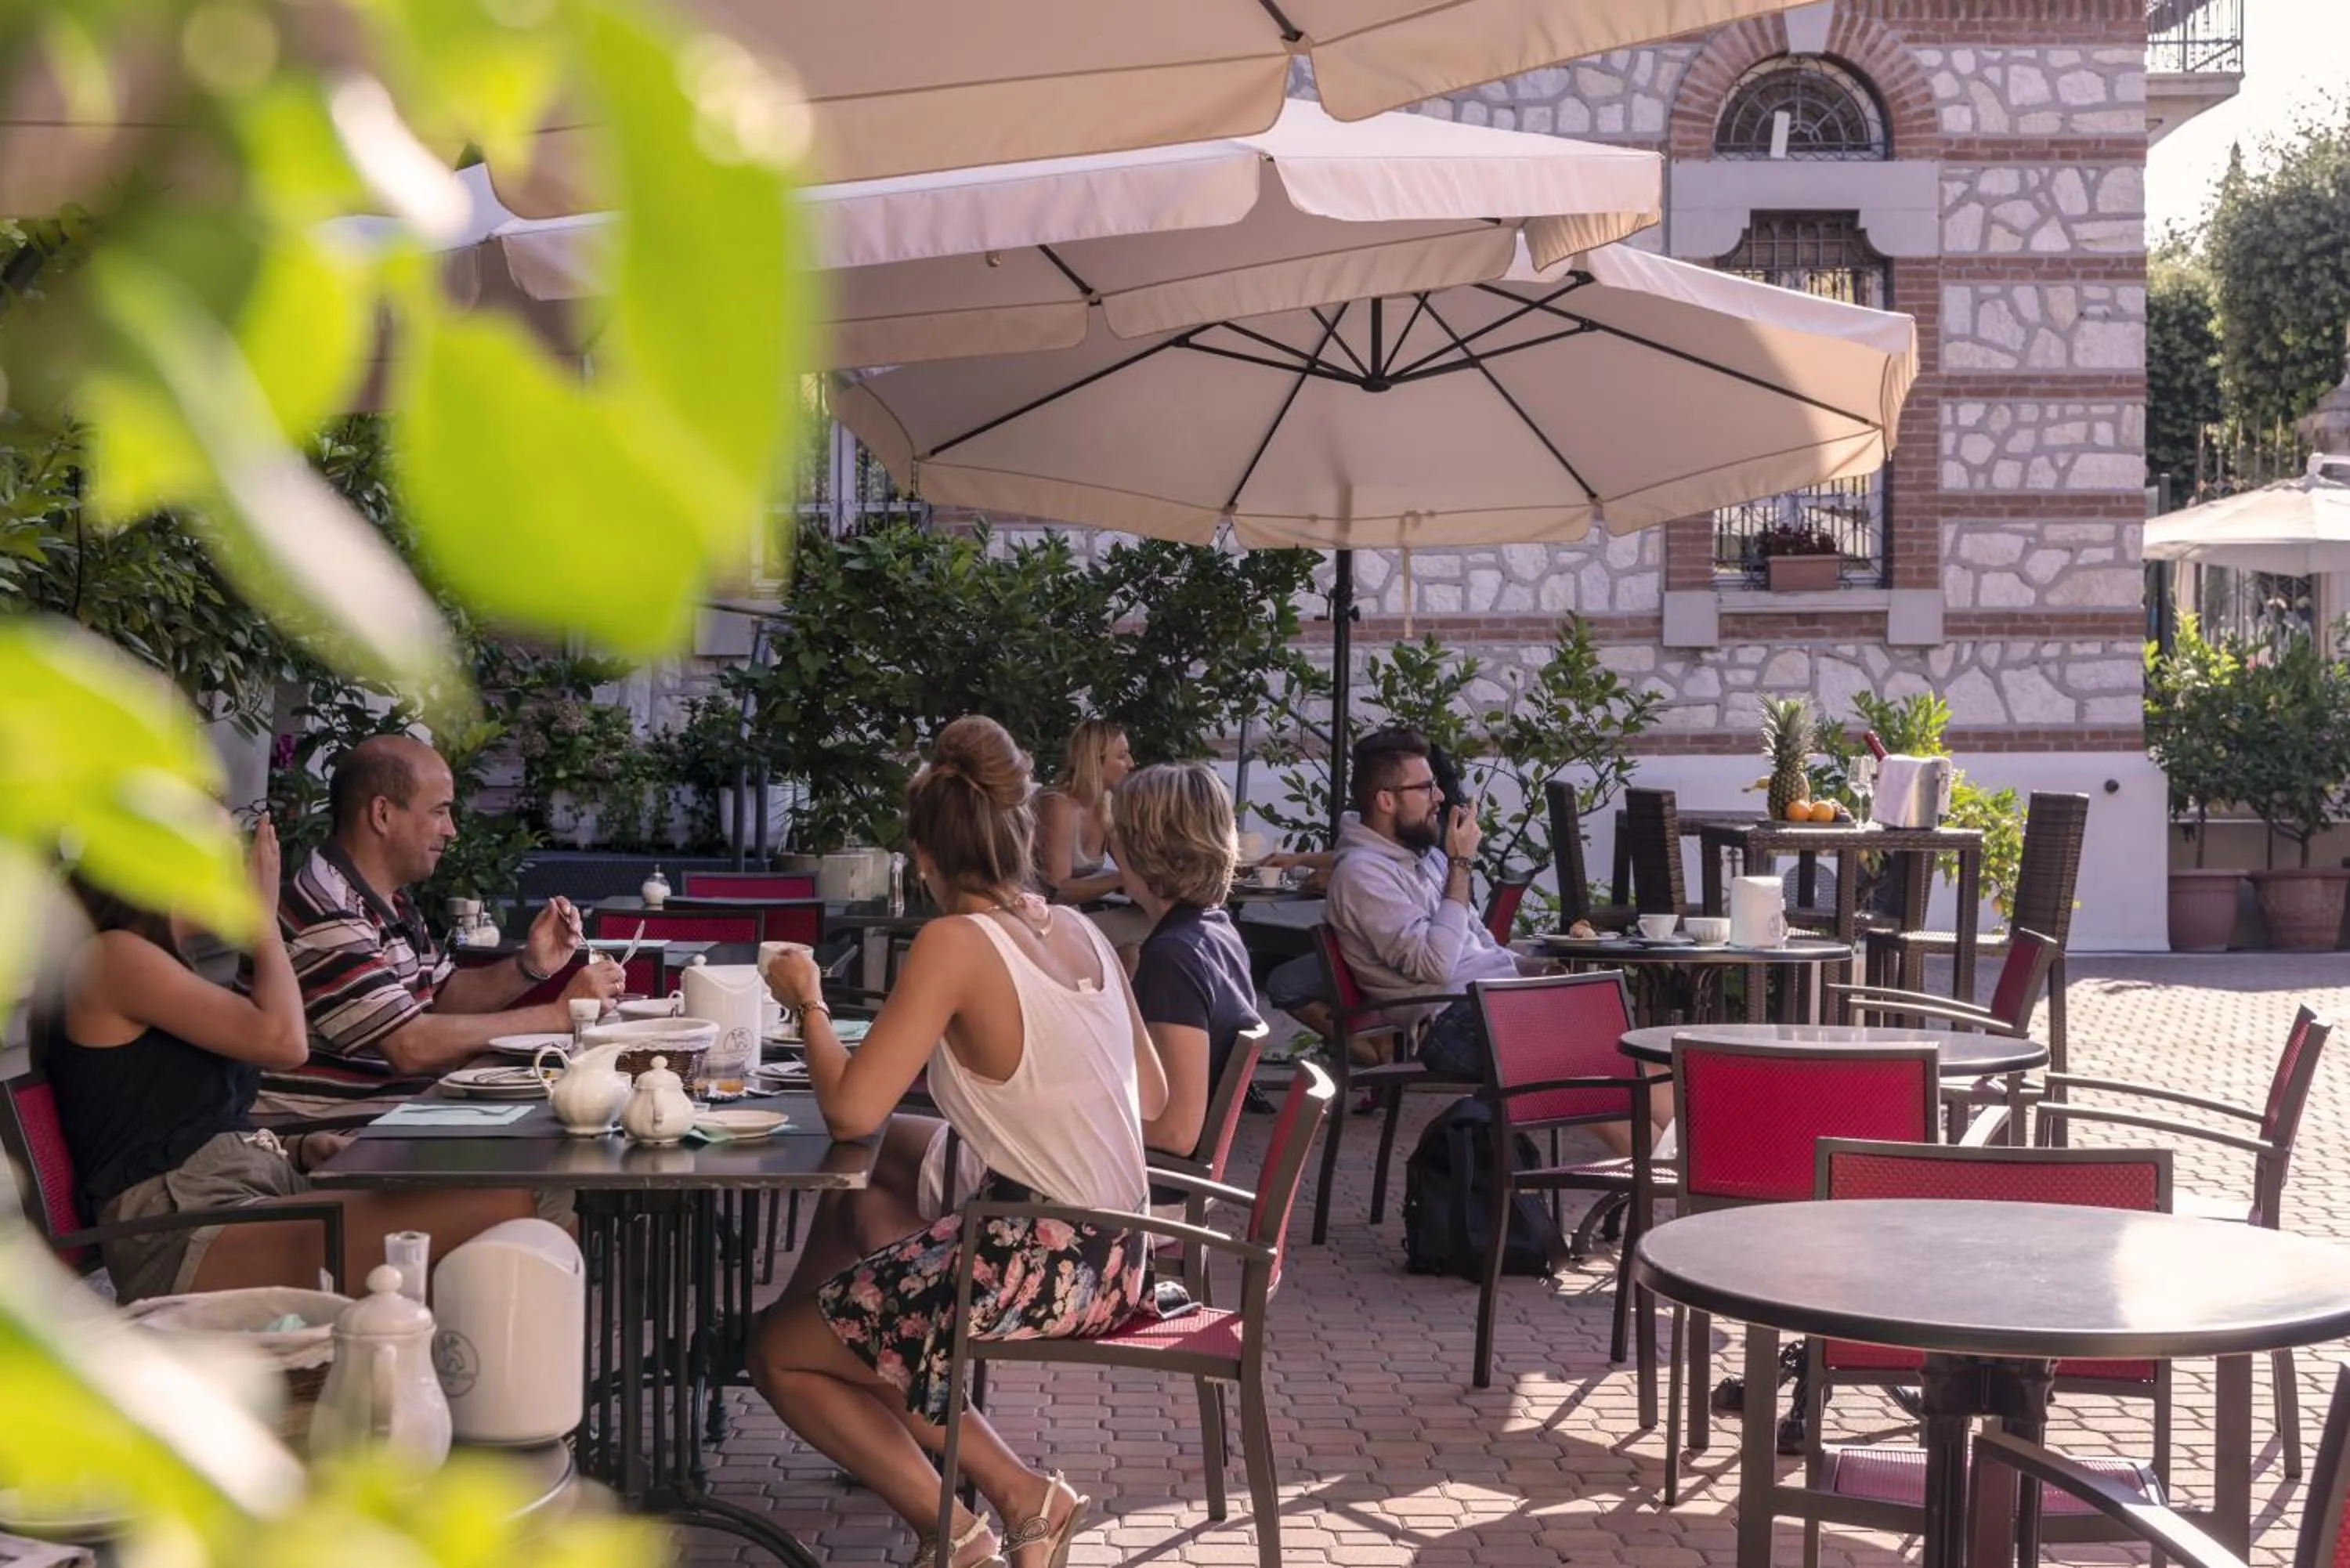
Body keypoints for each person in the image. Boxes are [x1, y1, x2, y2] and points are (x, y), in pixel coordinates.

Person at [755, 716, 1166, 1568]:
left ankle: (981, 1523)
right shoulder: (1083, 931)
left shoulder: (952, 942)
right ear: (1018, 830)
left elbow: (852, 1114)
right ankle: (1006, 1510)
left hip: (1039, 1256)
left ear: (925, 860)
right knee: (871, 1283)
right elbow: (1155, 1098)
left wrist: (809, 1000)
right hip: (1125, 1254)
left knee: (778, 1352)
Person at [39, 817, 536, 1300]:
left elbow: (178, 1118)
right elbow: (285, 1043)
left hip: (237, 1198)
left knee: (494, 1196)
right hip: (183, 1235)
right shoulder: (114, 959)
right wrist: (264, 925)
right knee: (504, 1203)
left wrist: (298, 1148)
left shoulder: (159, 964)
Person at [1325, 728, 1669, 1158]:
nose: (1439, 797)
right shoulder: (1363, 874)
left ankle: (1695, 1177)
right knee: (1585, 1074)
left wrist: (1535, 967)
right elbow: (1433, 967)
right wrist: (1461, 864)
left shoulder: (1426, 859)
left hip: (1499, 1001)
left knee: (1632, 1055)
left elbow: (1479, 945)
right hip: (1453, 1018)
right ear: (1386, 800)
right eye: (1424, 787)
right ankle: (1663, 1185)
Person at [280, 735, 621, 1078]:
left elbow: (440, 996)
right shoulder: (326, 908)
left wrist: (530, 966)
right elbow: (408, 1045)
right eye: (439, 811)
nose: (451, 830)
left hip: (398, 1116)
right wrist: (561, 1015)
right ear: (382, 814)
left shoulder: (390, 898)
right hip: (352, 1127)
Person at [1113, 764, 1264, 1180]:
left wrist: (1073, 1123)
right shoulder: (1214, 932)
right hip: (1159, 1187)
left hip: (1145, 1199)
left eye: (1118, 837)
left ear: (1145, 849)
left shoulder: (1173, 959)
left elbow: (1176, 1133)